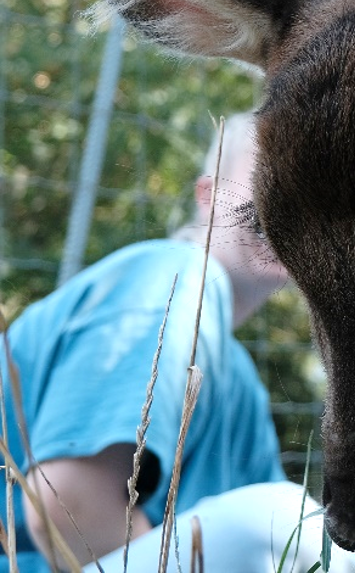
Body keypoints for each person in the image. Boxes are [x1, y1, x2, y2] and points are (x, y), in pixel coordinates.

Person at [1, 114, 323, 573]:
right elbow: (67, 506)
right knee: (286, 518)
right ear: (209, 195)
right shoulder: (172, 283)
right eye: (274, 177)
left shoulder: (240, 377)